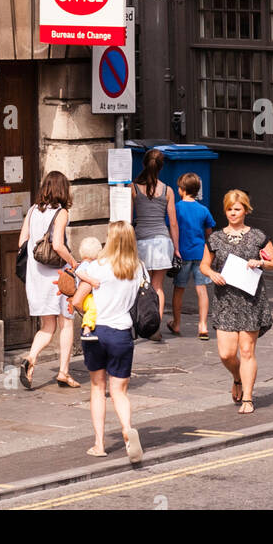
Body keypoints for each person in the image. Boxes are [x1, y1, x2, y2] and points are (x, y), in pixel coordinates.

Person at [70, 221, 144, 462]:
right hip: (122, 333)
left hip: (97, 331)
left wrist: (86, 311)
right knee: (120, 391)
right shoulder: (138, 268)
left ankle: (99, 444)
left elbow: (78, 300)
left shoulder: (98, 267)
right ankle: (126, 430)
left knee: (97, 388)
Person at [201, 190, 273, 414]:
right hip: (225, 300)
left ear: (245, 210)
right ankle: (237, 377)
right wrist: (211, 274)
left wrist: (260, 263)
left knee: (246, 351)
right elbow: (204, 265)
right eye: (229, 209)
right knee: (226, 354)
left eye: (237, 209)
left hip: (250, 300)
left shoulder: (257, 237)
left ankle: (247, 397)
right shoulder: (215, 238)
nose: (233, 213)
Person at [17, 170, 82, 389]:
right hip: (57, 276)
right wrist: (73, 263)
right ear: (63, 190)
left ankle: (30, 358)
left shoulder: (33, 210)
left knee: (47, 326)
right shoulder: (61, 212)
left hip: (36, 275)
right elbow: (57, 245)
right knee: (66, 322)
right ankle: (63, 372)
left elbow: (22, 242)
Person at [129, 149, 181, 338]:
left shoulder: (133, 188)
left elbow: (128, 217)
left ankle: (140, 323)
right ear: (161, 167)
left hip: (141, 239)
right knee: (158, 287)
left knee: (143, 285)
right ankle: (155, 329)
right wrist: (176, 248)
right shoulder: (168, 191)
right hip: (162, 241)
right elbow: (173, 222)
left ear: (144, 164)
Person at [169, 173, 216, 339]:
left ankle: (176, 323)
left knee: (179, 289)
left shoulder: (177, 208)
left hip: (182, 253)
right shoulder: (203, 210)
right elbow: (209, 233)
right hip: (200, 254)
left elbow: (172, 227)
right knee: (202, 290)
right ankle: (203, 325)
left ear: (181, 190)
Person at [69, 235, 104, 341]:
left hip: (88, 295)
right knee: (92, 309)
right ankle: (87, 330)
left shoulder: (87, 264)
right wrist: (91, 280)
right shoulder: (86, 265)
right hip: (87, 296)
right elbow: (79, 272)